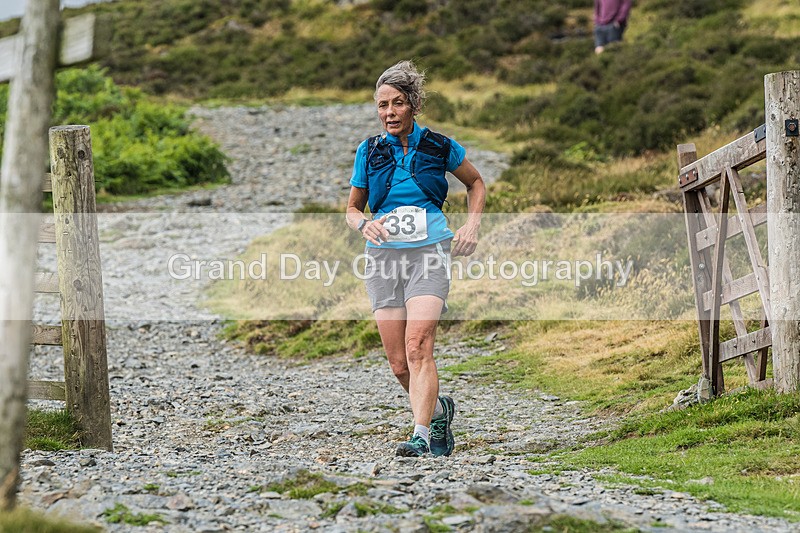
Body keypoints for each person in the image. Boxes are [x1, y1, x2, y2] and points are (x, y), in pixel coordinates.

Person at [346, 60, 486, 457]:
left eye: (398, 103)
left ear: (414, 105)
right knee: (398, 363)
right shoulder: (368, 151)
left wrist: (471, 225)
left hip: (430, 252)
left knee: (418, 345)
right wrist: (363, 225)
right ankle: (439, 411)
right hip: (383, 259)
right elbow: (352, 209)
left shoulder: (440, 146)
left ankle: (420, 436)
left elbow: (476, 183)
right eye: (382, 105)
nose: (389, 112)